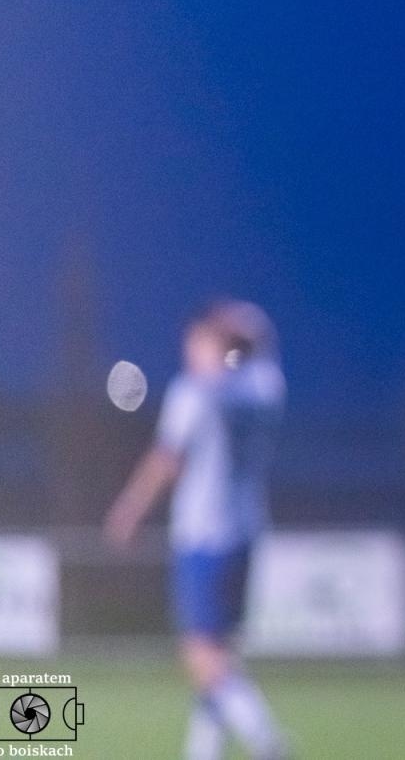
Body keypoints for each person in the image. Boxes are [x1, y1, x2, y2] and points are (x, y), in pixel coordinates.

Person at [105, 299, 290, 760]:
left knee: (201, 655)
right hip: (247, 531)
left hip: (205, 534)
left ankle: (266, 740)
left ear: (219, 344)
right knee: (220, 654)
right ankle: (203, 752)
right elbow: (258, 351)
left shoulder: (196, 392)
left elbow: (166, 458)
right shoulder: (265, 388)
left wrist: (130, 509)